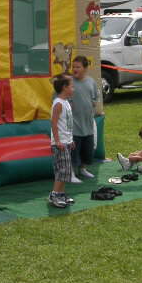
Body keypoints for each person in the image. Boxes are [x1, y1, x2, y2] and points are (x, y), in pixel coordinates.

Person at [48, 74, 78, 208]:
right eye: (72, 86)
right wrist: (58, 141)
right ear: (65, 88)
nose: (74, 89)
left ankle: (61, 194)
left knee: (65, 170)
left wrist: (70, 140)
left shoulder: (66, 102)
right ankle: (54, 194)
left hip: (66, 142)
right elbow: (54, 124)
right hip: (59, 144)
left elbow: (66, 124)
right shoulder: (58, 104)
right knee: (62, 170)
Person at [69, 55, 100, 180]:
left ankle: (82, 168)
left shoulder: (91, 82)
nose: (75, 69)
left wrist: (93, 103)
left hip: (87, 123)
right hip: (74, 124)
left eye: (78, 67)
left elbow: (94, 98)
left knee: (87, 149)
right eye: (73, 67)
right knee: (74, 150)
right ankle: (70, 172)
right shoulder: (69, 82)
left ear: (85, 68)